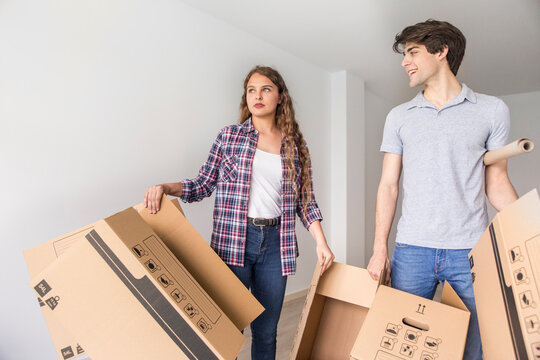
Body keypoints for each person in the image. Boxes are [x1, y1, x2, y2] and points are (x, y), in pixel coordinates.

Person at [144, 65, 334, 360]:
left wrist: (321, 242)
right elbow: (203, 184)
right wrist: (166, 187)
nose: (258, 96)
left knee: (266, 332)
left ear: (280, 96)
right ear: (246, 98)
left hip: (276, 246)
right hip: (233, 241)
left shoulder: (294, 146)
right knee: (227, 330)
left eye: (266, 89)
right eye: (251, 90)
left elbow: (305, 200)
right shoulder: (229, 136)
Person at [366, 20, 518, 360]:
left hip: (469, 251)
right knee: (401, 348)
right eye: (405, 54)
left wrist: (530, 230)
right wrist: (380, 249)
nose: (405, 62)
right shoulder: (399, 116)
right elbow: (388, 186)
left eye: (413, 52)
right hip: (412, 250)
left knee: (474, 347)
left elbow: (496, 184)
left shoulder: (492, 110)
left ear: (441, 51)